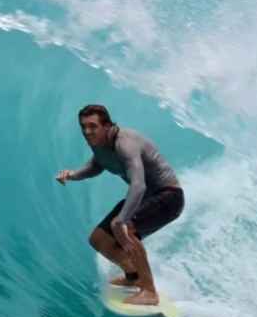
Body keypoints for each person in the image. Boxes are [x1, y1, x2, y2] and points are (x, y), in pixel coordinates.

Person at [56, 104, 184, 306]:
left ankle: (149, 291)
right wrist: (74, 174)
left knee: (122, 226)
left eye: (92, 126)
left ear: (107, 125)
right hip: (146, 197)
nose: (87, 132)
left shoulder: (125, 143)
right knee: (99, 240)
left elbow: (139, 184)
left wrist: (123, 221)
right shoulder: (98, 142)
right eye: (83, 127)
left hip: (168, 197)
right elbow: (98, 164)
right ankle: (133, 276)